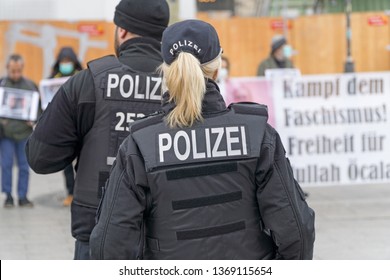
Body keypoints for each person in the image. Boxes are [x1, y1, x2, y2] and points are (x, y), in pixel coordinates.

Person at [89, 19, 315, 260]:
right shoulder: (258, 134)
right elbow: (296, 231)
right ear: (217, 68)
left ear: (165, 69)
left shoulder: (140, 144)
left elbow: (109, 244)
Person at [26, 0, 170, 259]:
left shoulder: (88, 82)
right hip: (169, 235)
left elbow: (40, 158)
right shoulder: (187, 85)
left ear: (122, 30)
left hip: (98, 235)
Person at [0, 54, 37, 208]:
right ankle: (8, 196)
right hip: (6, 134)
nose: (15, 74)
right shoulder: (1, 86)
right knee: (6, 165)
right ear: (7, 69)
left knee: (24, 166)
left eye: (18, 71)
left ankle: (22, 196)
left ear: (22, 69)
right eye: (12, 71)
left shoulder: (30, 86)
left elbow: (39, 109)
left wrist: (34, 120)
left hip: (24, 134)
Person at [49, 47, 83, 207]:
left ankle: (81, 192)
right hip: (65, 128)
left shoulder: (83, 77)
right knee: (67, 164)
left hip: (82, 126)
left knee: (83, 161)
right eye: (63, 62)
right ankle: (70, 192)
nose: (66, 65)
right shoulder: (53, 79)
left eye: (68, 62)